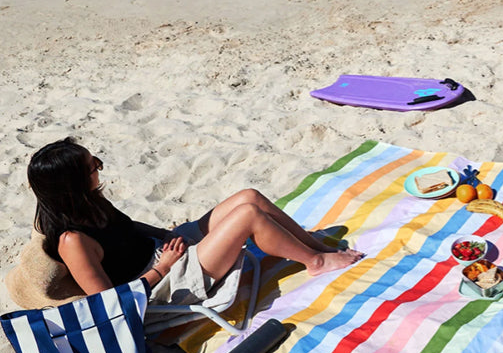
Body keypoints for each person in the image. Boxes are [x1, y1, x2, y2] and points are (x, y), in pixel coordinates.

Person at [26, 138, 365, 300]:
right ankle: (316, 261)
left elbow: (127, 229)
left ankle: (315, 244)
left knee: (249, 196)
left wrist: (166, 235)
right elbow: (110, 302)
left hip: (165, 249)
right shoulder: (74, 240)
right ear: (72, 185)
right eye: (93, 167)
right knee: (248, 216)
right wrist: (165, 266)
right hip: (164, 281)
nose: (99, 169)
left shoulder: (89, 202)